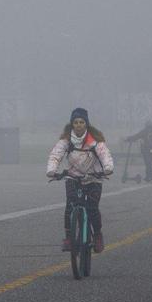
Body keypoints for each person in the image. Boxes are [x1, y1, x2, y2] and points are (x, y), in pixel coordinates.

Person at [46, 108, 115, 253]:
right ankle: (69, 238)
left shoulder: (94, 141)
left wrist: (108, 168)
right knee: (70, 206)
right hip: (73, 177)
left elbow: (105, 155)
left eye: (81, 122)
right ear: (72, 124)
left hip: (93, 178)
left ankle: (97, 236)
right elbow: (55, 155)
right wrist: (52, 170)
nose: (78, 125)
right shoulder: (66, 140)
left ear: (86, 124)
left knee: (92, 208)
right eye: (76, 122)